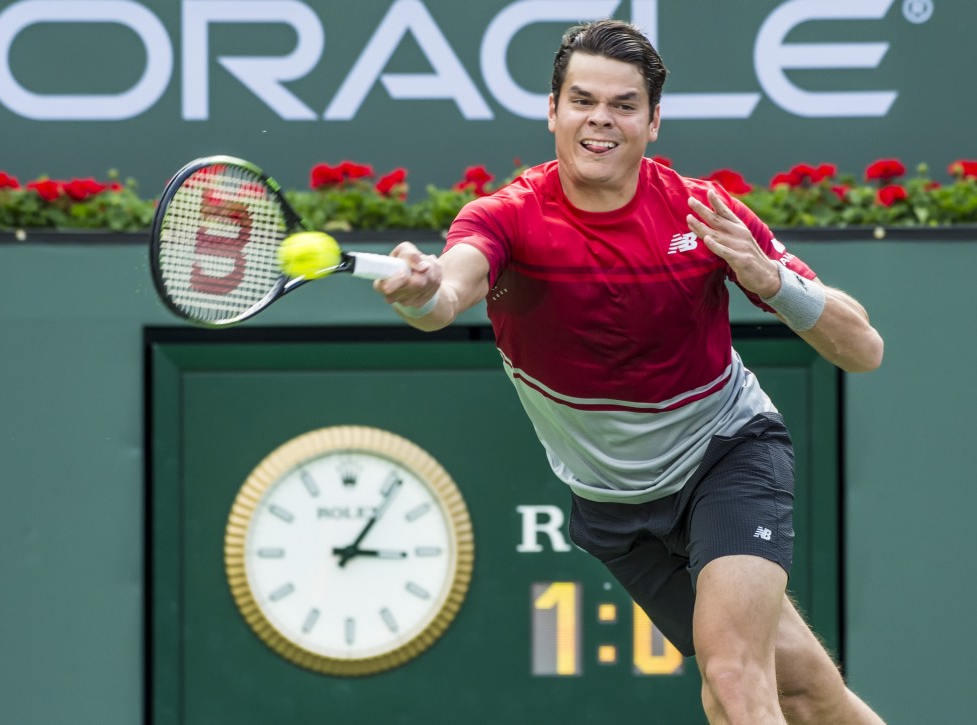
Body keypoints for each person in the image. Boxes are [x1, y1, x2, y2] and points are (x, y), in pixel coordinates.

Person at [375, 18, 885, 725]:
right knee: (804, 692)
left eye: (623, 105)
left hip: (724, 455)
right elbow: (446, 295)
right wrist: (422, 289)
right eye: (583, 101)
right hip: (614, 509)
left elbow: (863, 347)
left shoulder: (700, 211)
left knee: (734, 678)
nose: (601, 121)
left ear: (652, 122)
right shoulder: (507, 219)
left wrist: (767, 276)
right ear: (552, 110)